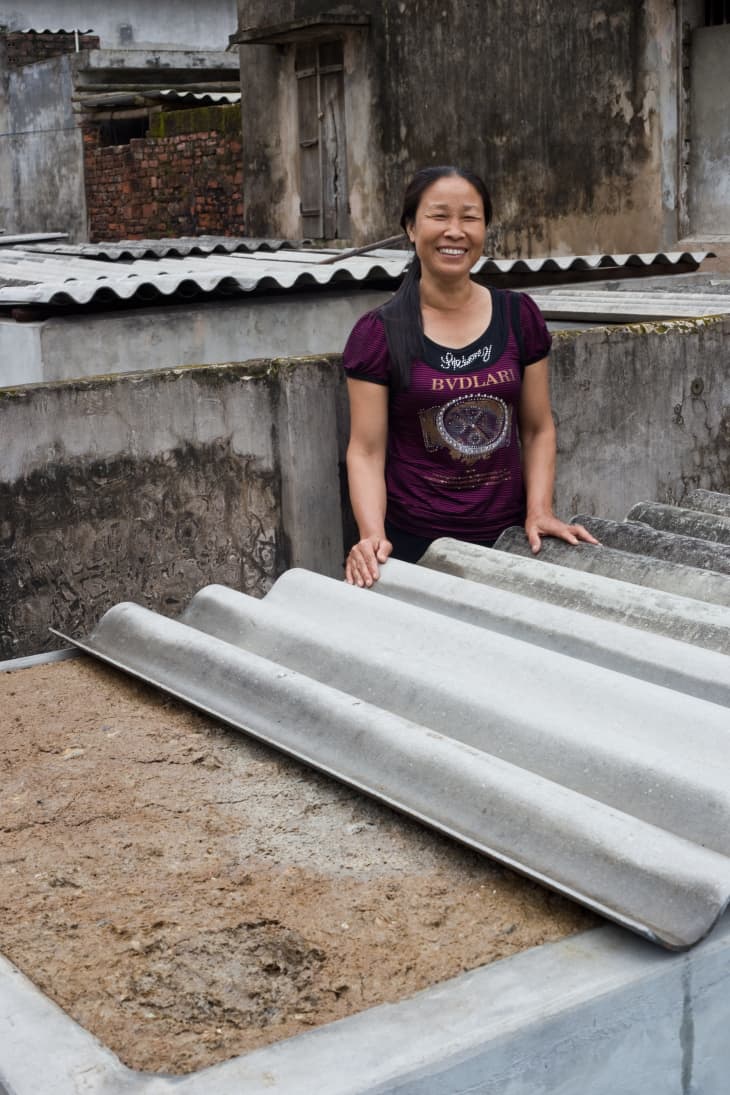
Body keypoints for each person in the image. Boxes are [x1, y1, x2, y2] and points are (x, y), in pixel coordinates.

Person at [343, 165, 598, 587]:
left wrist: (540, 511)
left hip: (511, 541)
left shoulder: (518, 316)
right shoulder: (378, 334)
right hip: (414, 548)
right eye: (439, 216)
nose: (455, 231)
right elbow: (367, 450)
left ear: (484, 228)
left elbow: (536, 429)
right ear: (410, 228)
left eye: (469, 217)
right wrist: (372, 536)